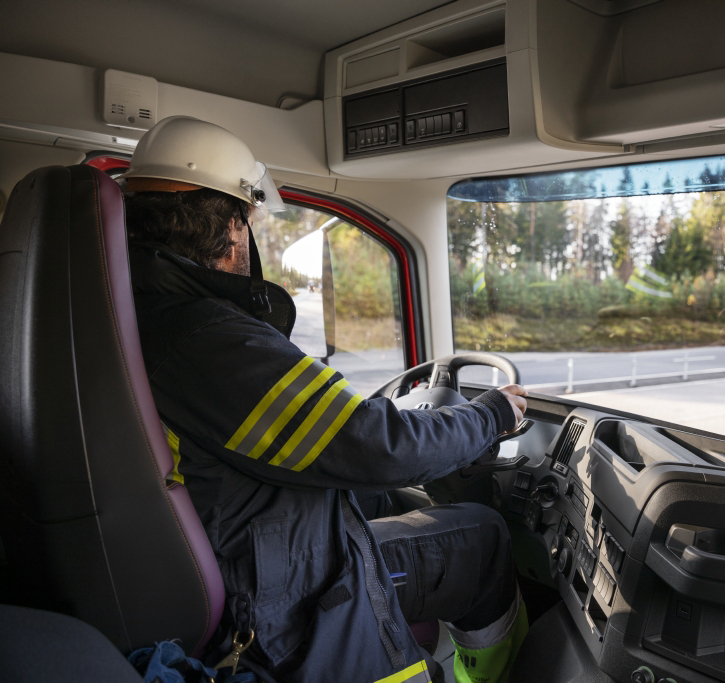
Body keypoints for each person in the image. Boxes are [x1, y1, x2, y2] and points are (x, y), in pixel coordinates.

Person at [123, 116, 529, 683]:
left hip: (250, 551)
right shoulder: (209, 340)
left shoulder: (140, 315)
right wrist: (492, 414)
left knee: (395, 502)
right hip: (285, 606)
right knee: (484, 537)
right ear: (234, 227)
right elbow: (378, 444)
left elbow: (336, 434)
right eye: (251, 220)